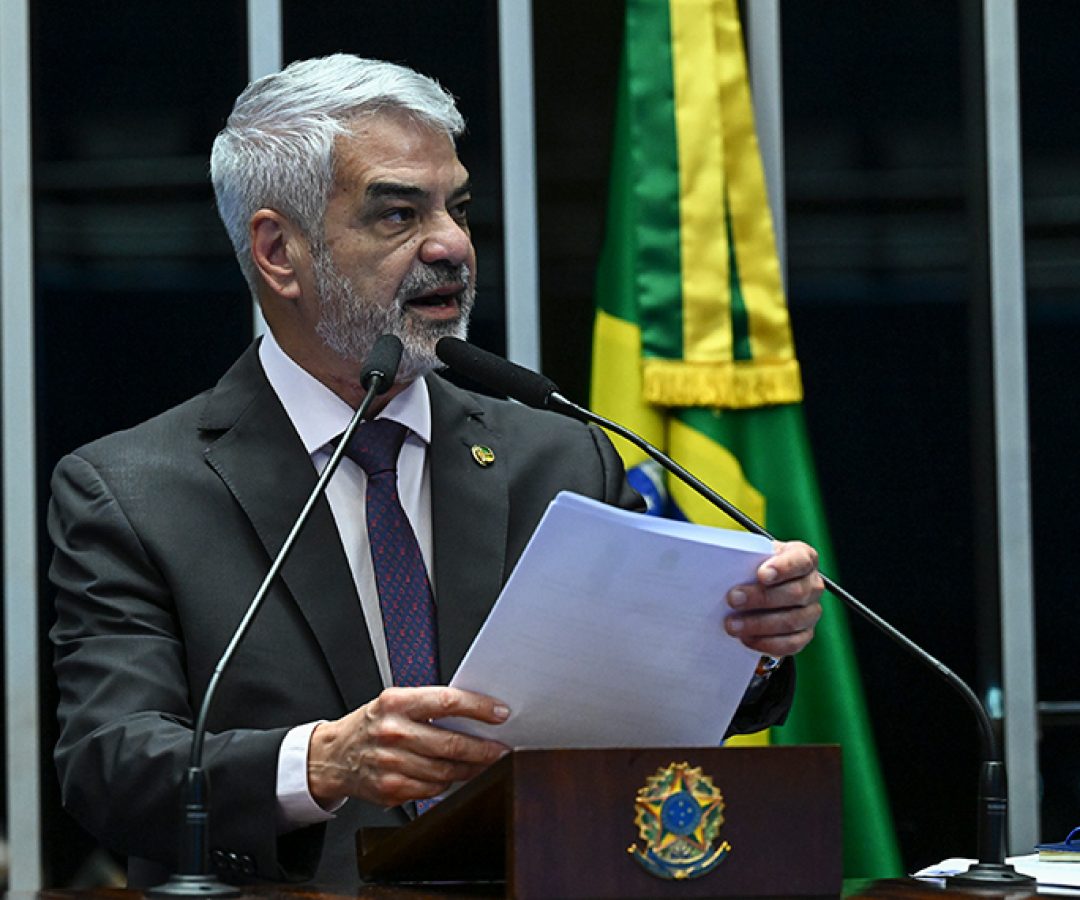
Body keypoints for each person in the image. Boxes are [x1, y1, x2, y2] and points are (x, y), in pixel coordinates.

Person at [48, 55, 824, 890]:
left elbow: (633, 709)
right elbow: (110, 764)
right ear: (279, 251)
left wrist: (745, 644)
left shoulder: (558, 454)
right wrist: (321, 762)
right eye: (397, 213)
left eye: (456, 206)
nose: (451, 244)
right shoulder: (134, 491)